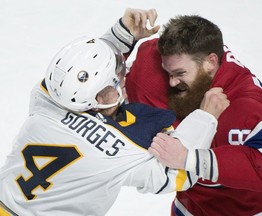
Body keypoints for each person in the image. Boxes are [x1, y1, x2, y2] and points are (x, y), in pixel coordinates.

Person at [0, 9, 229, 216]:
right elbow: (180, 175)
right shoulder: (124, 150)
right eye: (116, 76)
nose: (123, 73)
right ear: (98, 98)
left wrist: (121, 35)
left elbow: (78, 74)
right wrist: (205, 118)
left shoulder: (45, 98)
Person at [125, 14, 262, 215]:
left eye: (179, 73)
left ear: (211, 62)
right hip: (190, 207)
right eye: (169, 72)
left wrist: (189, 158)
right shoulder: (155, 62)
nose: (172, 82)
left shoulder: (248, 105)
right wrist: (121, 39)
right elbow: (98, 83)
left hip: (259, 210)